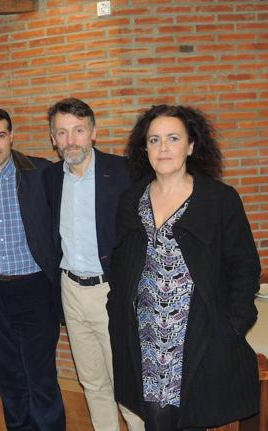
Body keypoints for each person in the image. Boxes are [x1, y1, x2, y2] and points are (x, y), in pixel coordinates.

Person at [107, 105, 261, 430]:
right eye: (154, 140)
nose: (163, 148)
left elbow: (245, 266)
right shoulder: (130, 200)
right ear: (144, 148)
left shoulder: (220, 200)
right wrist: (116, 309)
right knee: (155, 418)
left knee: (190, 419)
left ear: (191, 146)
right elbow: (120, 263)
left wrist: (233, 324)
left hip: (198, 336)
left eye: (173, 138)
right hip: (145, 334)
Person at [43, 98, 144, 431]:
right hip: (71, 289)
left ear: (93, 133)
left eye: (78, 130)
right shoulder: (50, 179)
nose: (70, 140)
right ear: (53, 139)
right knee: (92, 381)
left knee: (126, 385)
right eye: (62, 132)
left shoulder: (124, 172)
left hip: (111, 291)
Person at [0, 105, 65, 431]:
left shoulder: (42, 174)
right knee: (7, 376)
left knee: (41, 377)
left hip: (35, 288)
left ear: (12, 136)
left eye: (0, 136)